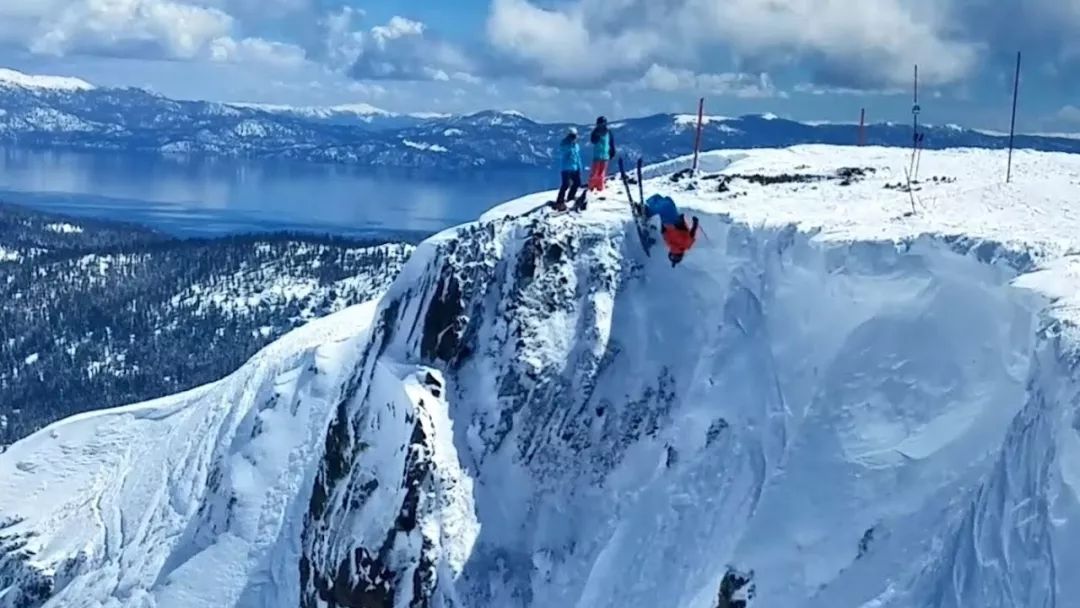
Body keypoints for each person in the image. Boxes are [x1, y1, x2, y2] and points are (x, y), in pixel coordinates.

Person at [642, 194, 698, 266]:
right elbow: (664, 232)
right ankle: (648, 208)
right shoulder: (670, 245)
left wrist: (695, 222)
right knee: (667, 203)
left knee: (667, 205)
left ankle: (648, 210)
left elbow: (692, 233)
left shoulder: (684, 245)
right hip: (669, 223)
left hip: (673, 222)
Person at [554, 126, 583, 211]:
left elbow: (578, 157)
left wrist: (579, 167)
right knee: (565, 185)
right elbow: (563, 150)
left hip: (575, 168)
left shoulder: (576, 146)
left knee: (577, 183)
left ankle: (571, 197)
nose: (573, 138)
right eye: (572, 136)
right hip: (566, 168)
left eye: (574, 136)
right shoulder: (565, 145)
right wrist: (569, 143)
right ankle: (559, 201)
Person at [588, 116, 616, 192]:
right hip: (597, 155)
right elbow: (593, 141)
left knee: (602, 173)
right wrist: (597, 135)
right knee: (595, 173)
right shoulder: (595, 132)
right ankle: (592, 187)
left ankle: (600, 188)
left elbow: (611, 142)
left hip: (605, 155)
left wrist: (612, 151)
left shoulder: (608, 132)